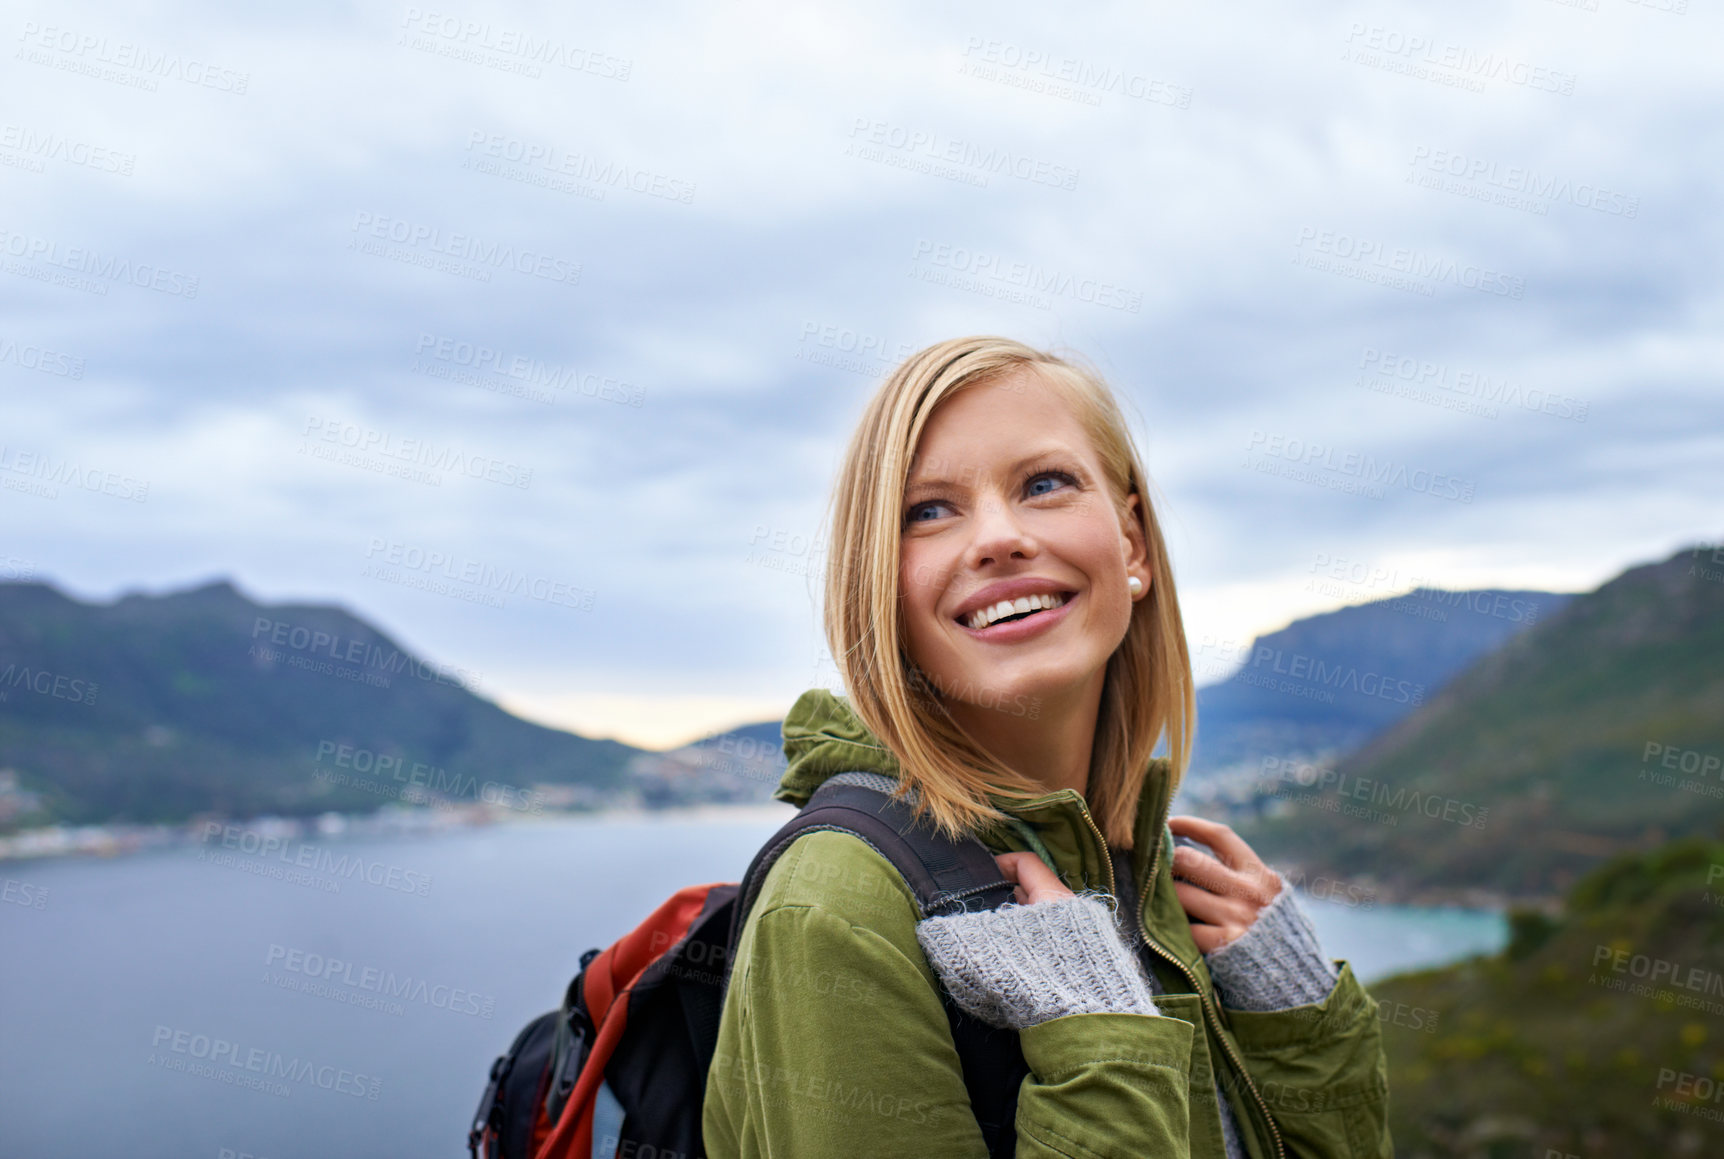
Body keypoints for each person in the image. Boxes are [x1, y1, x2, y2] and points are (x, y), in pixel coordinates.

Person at [702, 337, 1392, 1157]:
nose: (997, 537)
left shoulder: (1141, 865)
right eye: (928, 509)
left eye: (1044, 484)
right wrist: (1098, 1042)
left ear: (1132, 545)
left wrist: (1297, 1022)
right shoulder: (837, 906)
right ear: (879, 585)